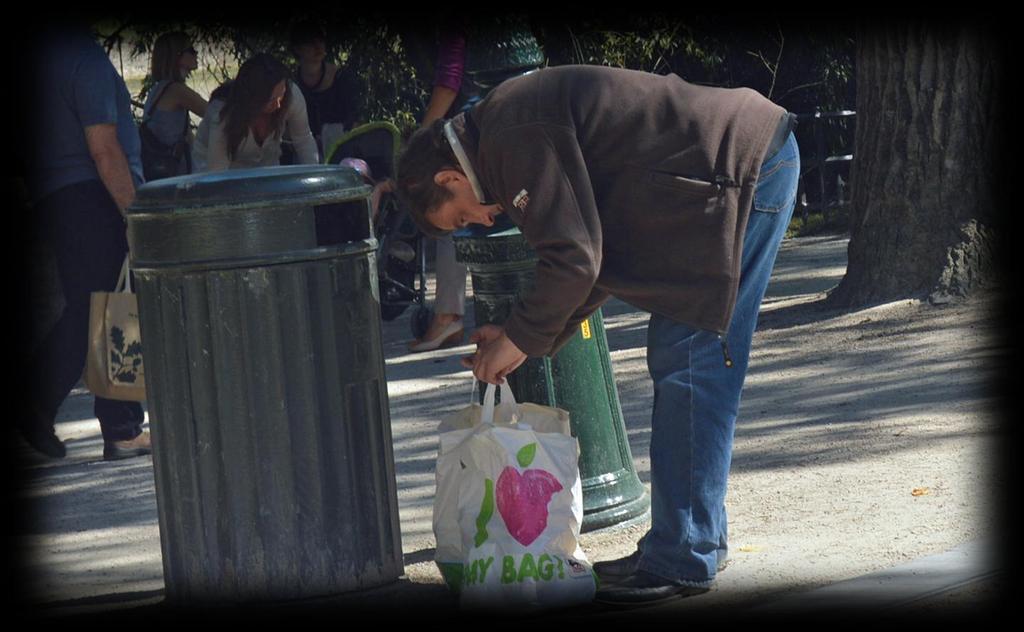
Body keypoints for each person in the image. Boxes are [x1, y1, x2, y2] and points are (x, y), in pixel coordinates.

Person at [396, 65, 799, 605]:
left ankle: (683, 553)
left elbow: (575, 261)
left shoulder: (508, 134)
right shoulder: (501, 129)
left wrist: (517, 338)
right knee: (689, 360)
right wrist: (521, 335)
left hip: (739, 171)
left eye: (459, 217)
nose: (480, 222)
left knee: (689, 362)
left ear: (448, 179)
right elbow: (589, 256)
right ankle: (691, 539)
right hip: (736, 167)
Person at [22, 25, 154, 461]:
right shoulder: (84, 58)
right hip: (95, 193)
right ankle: (121, 428)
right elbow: (104, 149)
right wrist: (135, 217)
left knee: (93, 307)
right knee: (115, 308)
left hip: (52, 195)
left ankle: (115, 424)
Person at [193, 53, 318, 172]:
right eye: (271, 100)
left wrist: (314, 182)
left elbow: (303, 140)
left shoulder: (292, 96)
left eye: (282, 95)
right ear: (252, 99)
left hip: (267, 170)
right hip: (215, 170)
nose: (279, 104)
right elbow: (217, 175)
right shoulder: (222, 113)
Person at [288, 19, 361, 160]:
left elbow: (356, 123)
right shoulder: (291, 85)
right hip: (302, 156)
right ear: (297, 48)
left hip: (343, 155)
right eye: (310, 42)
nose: (317, 46)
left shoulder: (342, 78)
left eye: (320, 40)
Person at [139, 31, 208, 178]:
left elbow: (188, 137)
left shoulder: (159, 88)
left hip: (161, 169)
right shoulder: (176, 90)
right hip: (174, 173)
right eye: (191, 50)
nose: (196, 54)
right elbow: (214, 112)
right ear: (178, 56)